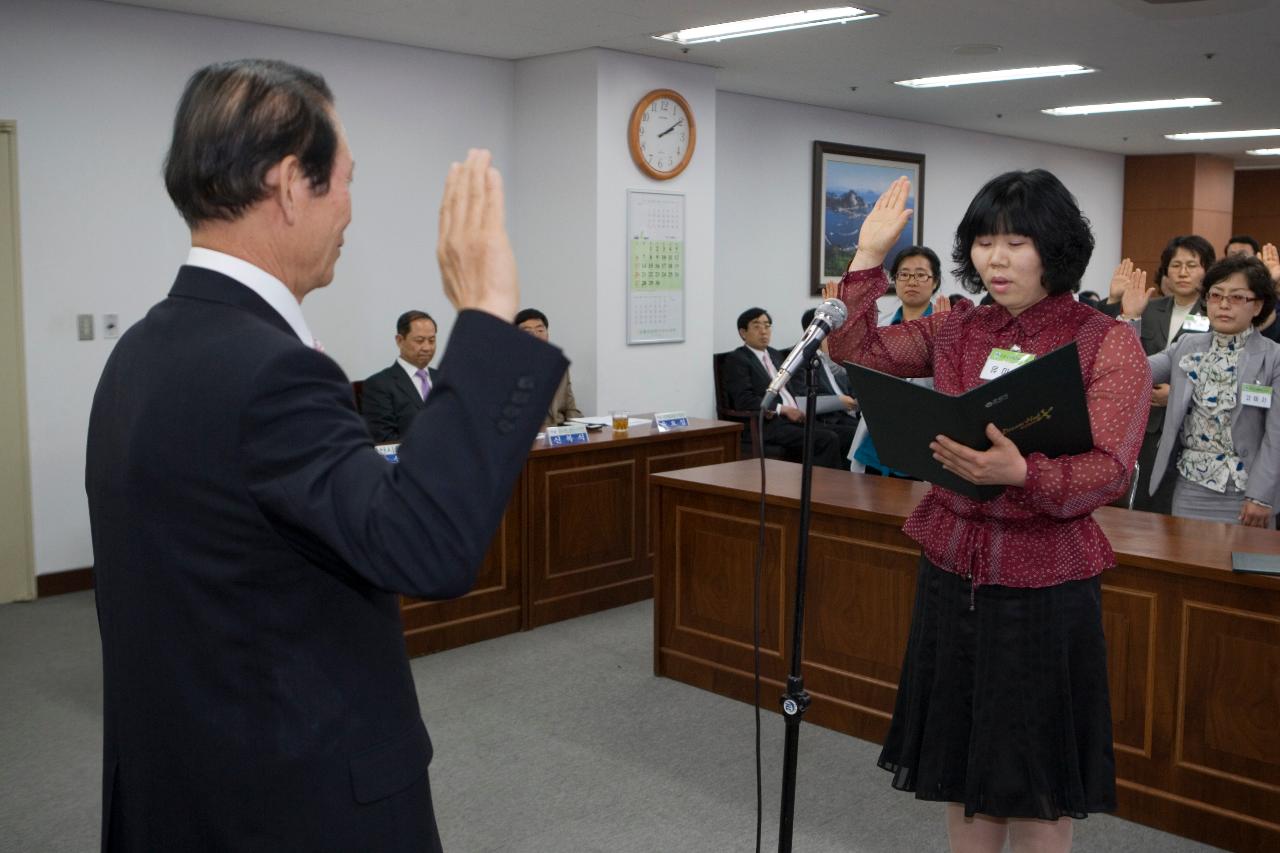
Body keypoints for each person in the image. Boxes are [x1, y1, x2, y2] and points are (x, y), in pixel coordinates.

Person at [85, 59, 567, 853]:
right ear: (287, 185)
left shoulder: (140, 350)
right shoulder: (271, 369)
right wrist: (484, 316)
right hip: (292, 802)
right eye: (345, 180)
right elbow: (426, 545)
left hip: (182, 783)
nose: (350, 209)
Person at [826, 171, 1149, 853]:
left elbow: (1110, 470)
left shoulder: (1104, 340)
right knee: (961, 759)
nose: (995, 259)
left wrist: (1023, 473)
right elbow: (856, 352)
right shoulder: (958, 329)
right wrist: (866, 258)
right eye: (983, 242)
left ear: (1055, 248)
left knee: (1035, 774)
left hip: (1044, 585)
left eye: (1016, 242)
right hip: (953, 567)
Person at [1120, 255, 1280, 526]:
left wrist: (1261, 496)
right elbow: (1130, 375)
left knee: (1242, 567)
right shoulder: (1187, 346)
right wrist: (1131, 318)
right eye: (1216, 295)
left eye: (1237, 297)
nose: (1224, 305)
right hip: (1189, 486)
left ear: (1258, 306)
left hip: (1246, 493)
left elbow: (1276, 436)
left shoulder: (1273, 357)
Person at [1101, 236, 1214, 512]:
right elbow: (1113, 345)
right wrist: (1115, 302)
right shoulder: (1148, 307)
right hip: (1145, 422)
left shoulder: (1216, 313)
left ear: (1207, 270)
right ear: (1166, 271)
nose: (1183, 272)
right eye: (1176, 265)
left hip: (1192, 426)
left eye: (1192, 265)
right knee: (1142, 501)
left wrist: (1175, 395)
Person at [849, 245, 950, 477]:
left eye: (920, 274)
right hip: (876, 441)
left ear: (935, 282)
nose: (911, 281)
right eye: (904, 274)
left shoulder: (948, 327)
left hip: (924, 443)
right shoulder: (880, 328)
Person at [722, 307, 847, 468]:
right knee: (828, 438)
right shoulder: (737, 359)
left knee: (847, 434)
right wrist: (783, 409)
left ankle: (850, 484)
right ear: (743, 332)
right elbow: (744, 400)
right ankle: (822, 488)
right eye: (756, 326)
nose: (763, 331)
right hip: (771, 423)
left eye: (767, 326)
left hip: (798, 418)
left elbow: (794, 389)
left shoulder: (775, 355)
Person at [361, 309, 440, 442]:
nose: (427, 347)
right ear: (399, 340)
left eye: (431, 341)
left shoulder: (444, 379)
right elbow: (384, 439)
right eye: (419, 341)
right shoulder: (379, 385)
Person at [514, 308, 582, 426]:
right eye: (527, 331)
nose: (535, 335)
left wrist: (581, 427)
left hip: (559, 432)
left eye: (540, 330)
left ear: (547, 334)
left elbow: (570, 408)